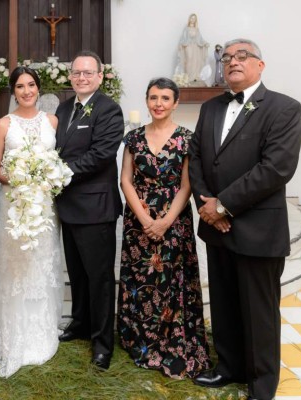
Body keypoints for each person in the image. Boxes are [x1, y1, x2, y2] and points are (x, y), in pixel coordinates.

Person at [189, 39, 301, 400]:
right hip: (217, 228)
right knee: (223, 303)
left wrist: (222, 205)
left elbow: (276, 168)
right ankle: (229, 367)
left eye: (242, 56)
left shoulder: (283, 108)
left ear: (260, 65)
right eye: (227, 58)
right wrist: (207, 206)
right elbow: (196, 160)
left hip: (258, 228)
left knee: (259, 313)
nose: (232, 62)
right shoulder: (209, 109)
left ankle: (262, 385)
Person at [116, 77, 211, 379]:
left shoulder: (186, 138)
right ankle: (141, 340)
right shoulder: (133, 138)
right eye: (153, 97)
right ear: (146, 101)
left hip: (174, 220)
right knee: (141, 280)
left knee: (171, 282)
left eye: (165, 98)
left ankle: (172, 341)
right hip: (138, 221)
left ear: (175, 103)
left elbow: (187, 184)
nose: (158, 104)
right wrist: (145, 220)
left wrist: (165, 221)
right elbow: (125, 180)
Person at [0, 66, 64, 378]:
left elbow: (56, 160)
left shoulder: (52, 121)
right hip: (14, 202)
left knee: (41, 263)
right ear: (12, 91)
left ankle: (40, 335)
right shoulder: (3, 124)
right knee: (15, 268)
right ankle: (11, 334)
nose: (27, 91)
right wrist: (19, 178)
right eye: (20, 87)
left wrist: (42, 178)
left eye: (31, 85)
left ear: (38, 88)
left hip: (44, 203)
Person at [55, 50, 124, 370]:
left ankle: (102, 342)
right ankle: (80, 323)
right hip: (68, 206)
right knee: (78, 273)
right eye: (76, 73)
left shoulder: (109, 109)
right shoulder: (65, 107)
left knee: (98, 278)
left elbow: (101, 154)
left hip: (96, 207)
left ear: (100, 76)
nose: (81, 77)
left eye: (87, 73)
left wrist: (59, 172)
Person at [175, 13, 209, 84]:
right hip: (188, 46)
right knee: (189, 60)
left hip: (196, 47)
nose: (193, 20)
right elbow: (183, 39)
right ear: (189, 19)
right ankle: (188, 77)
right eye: (191, 18)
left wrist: (205, 43)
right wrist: (181, 44)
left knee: (196, 61)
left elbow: (200, 39)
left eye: (194, 19)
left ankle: (195, 77)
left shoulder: (197, 29)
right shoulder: (186, 29)